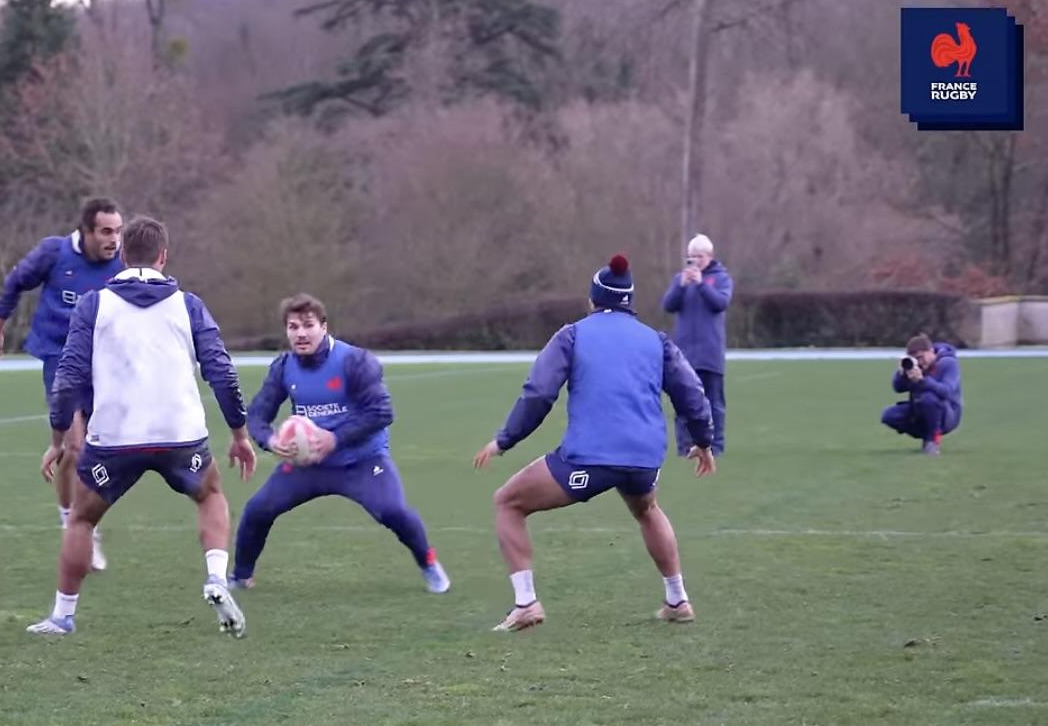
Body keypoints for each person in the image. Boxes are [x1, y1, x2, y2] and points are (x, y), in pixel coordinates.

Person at [25, 216, 258, 638]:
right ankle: (215, 578)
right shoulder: (188, 305)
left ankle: (62, 616)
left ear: (122, 257)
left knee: (81, 519)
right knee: (210, 495)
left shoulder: (94, 305)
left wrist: (58, 438)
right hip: (180, 436)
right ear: (163, 257)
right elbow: (222, 372)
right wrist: (239, 433)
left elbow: (68, 377)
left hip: (114, 438)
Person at [474, 255, 716, 633]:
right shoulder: (656, 341)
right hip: (644, 458)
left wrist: (504, 440)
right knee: (647, 509)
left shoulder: (573, 335)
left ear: (593, 299)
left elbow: (539, 393)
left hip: (589, 459)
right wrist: (703, 441)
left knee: (508, 502)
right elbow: (692, 393)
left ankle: (526, 603)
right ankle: (677, 599)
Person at [229, 294, 451, 594]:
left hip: (361, 461)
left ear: (324, 327)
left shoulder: (355, 361)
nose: (301, 333)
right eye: (293, 327)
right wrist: (270, 440)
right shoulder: (283, 367)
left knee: (394, 512)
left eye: (308, 325)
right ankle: (241, 577)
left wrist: (335, 438)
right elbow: (257, 415)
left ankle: (429, 564)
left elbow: (382, 412)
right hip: (308, 465)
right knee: (257, 510)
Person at [0, 197, 125, 571]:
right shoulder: (53, 253)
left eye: (118, 231)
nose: (114, 239)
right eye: (106, 232)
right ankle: (74, 527)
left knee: (99, 452)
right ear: (86, 232)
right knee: (74, 448)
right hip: (59, 359)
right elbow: (15, 284)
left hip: (104, 365)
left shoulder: (124, 264)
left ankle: (83, 521)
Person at [661, 233, 733, 455]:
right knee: (684, 403)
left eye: (699, 256)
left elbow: (720, 303)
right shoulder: (680, 280)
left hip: (710, 354)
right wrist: (682, 286)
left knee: (714, 404)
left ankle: (715, 446)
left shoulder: (721, 279)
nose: (694, 261)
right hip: (684, 355)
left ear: (709, 256)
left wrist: (701, 284)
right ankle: (685, 447)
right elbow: (668, 305)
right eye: (691, 257)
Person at [881, 334, 962, 455]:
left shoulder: (948, 363)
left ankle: (932, 441)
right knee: (889, 415)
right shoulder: (916, 366)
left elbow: (947, 391)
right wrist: (902, 374)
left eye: (921, 357)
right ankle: (928, 435)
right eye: (915, 359)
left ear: (931, 351)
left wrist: (923, 381)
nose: (919, 362)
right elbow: (898, 388)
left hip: (948, 414)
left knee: (928, 398)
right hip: (920, 408)